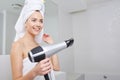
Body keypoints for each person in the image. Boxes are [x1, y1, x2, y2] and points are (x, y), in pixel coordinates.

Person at [10, 0, 60, 80]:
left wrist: (51, 44)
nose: (38, 24)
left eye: (41, 21)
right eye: (34, 20)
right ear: (25, 23)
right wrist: (35, 72)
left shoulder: (39, 46)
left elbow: (56, 69)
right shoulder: (18, 45)